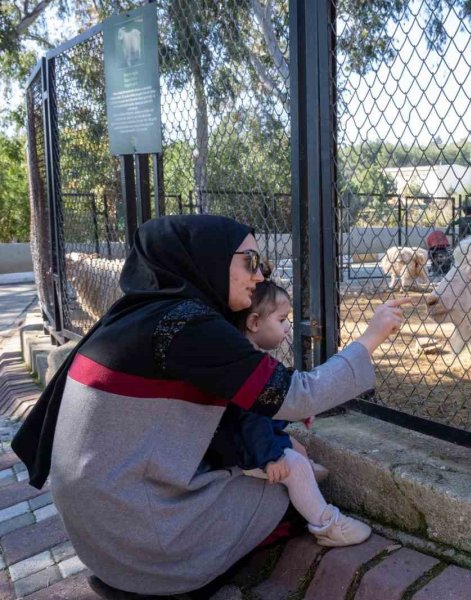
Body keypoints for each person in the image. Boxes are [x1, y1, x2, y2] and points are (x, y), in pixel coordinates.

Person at [10, 215, 407, 597]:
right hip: (136, 540)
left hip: (98, 538)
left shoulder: (136, 314)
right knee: (282, 493)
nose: (260, 275)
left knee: (268, 465)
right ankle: (176, 577)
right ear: (208, 259)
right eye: (250, 261)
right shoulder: (187, 325)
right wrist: (371, 337)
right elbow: (295, 394)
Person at [210, 278, 370, 548]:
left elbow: (268, 407)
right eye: (282, 320)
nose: (287, 327)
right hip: (242, 446)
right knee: (294, 466)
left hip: (248, 438)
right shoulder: (247, 364)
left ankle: (305, 484)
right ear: (254, 323)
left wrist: (294, 413)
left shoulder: (245, 354)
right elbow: (250, 419)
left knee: (297, 450)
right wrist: (270, 458)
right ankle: (327, 525)